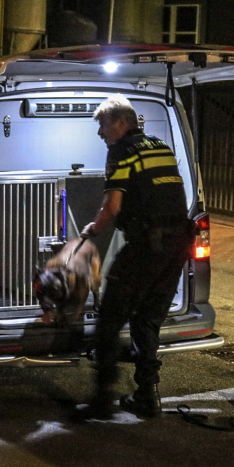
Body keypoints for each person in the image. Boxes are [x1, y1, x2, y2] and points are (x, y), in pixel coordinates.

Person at [77, 94, 193, 420]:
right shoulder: (161, 146)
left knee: (109, 319)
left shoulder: (121, 151)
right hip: (177, 245)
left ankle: (102, 400)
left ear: (121, 123)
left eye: (103, 125)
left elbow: (112, 207)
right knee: (147, 319)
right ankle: (147, 397)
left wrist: (92, 229)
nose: (100, 132)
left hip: (147, 245)